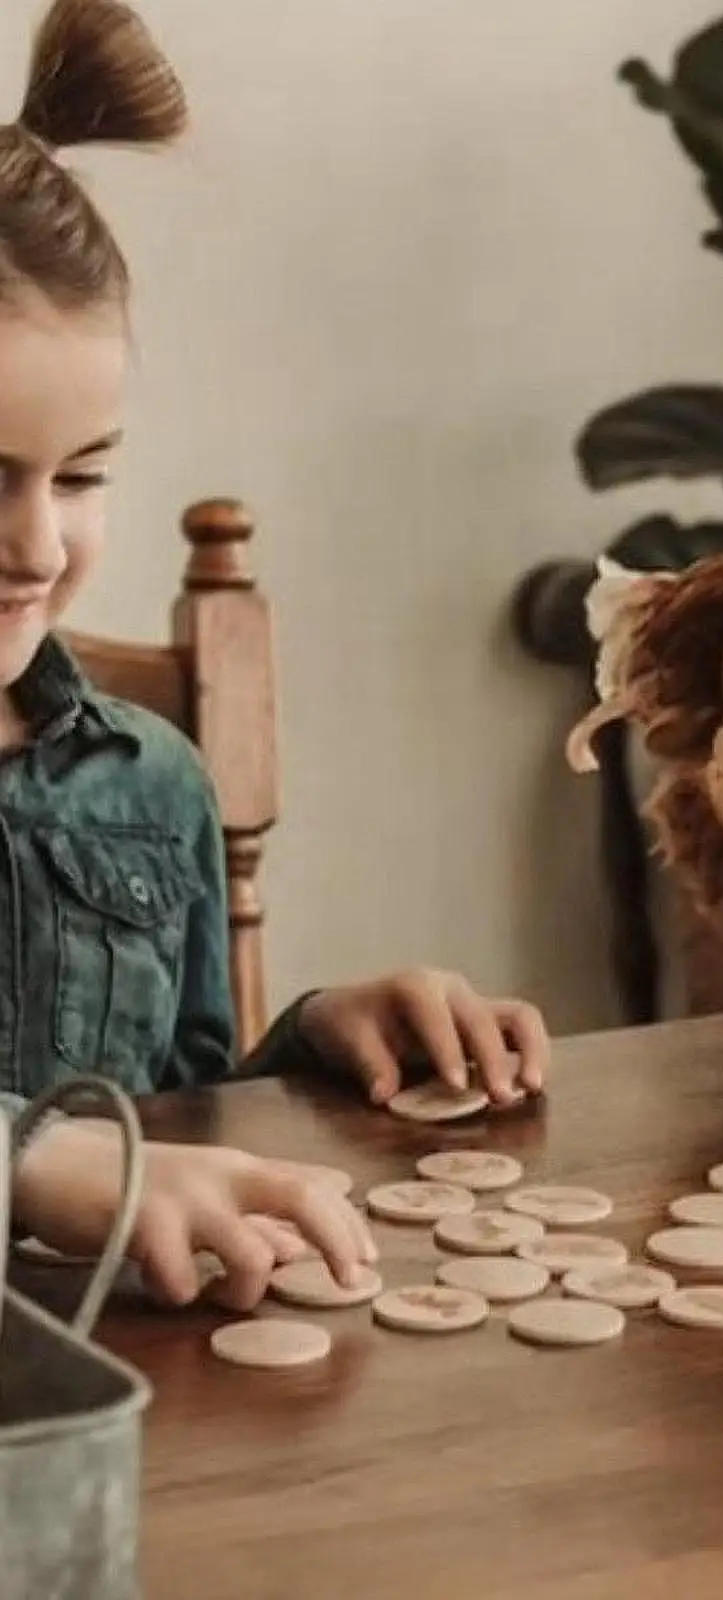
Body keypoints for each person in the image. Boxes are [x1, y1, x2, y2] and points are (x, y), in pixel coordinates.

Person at [0, 0, 549, 1310]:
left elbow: (180, 1124)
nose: (33, 542)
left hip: (129, 1428)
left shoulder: (154, 787)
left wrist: (310, 1051)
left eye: (80, 476)